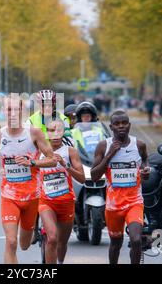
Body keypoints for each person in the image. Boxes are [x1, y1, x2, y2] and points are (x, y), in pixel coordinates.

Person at [0, 95, 57, 264]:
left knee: (24, 244)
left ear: (23, 111)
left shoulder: (34, 132)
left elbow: (52, 159)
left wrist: (33, 162)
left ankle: (30, 231)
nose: (13, 113)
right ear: (2, 112)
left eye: (17, 109)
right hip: (9, 197)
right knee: (11, 242)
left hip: (32, 198)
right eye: (9, 109)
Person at [90, 110, 151, 264]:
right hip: (113, 206)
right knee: (116, 243)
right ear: (111, 127)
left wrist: (145, 170)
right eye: (117, 124)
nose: (121, 126)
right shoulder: (104, 146)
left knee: (136, 240)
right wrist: (110, 154)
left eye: (124, 123)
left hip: (134, 202)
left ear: (129, 125)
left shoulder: (139, 145)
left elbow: (144, 160)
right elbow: (94, 176)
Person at [35, 120, 85, 264]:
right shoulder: (39, 152)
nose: (55, 134)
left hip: (66, 203)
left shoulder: (70, 151)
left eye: (59, 131)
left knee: (62, 243)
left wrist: (66, 165)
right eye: (51, 130)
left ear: (64, 132)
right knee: (52, 238)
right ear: (46, 133)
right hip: (46, 203)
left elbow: (82, 179)